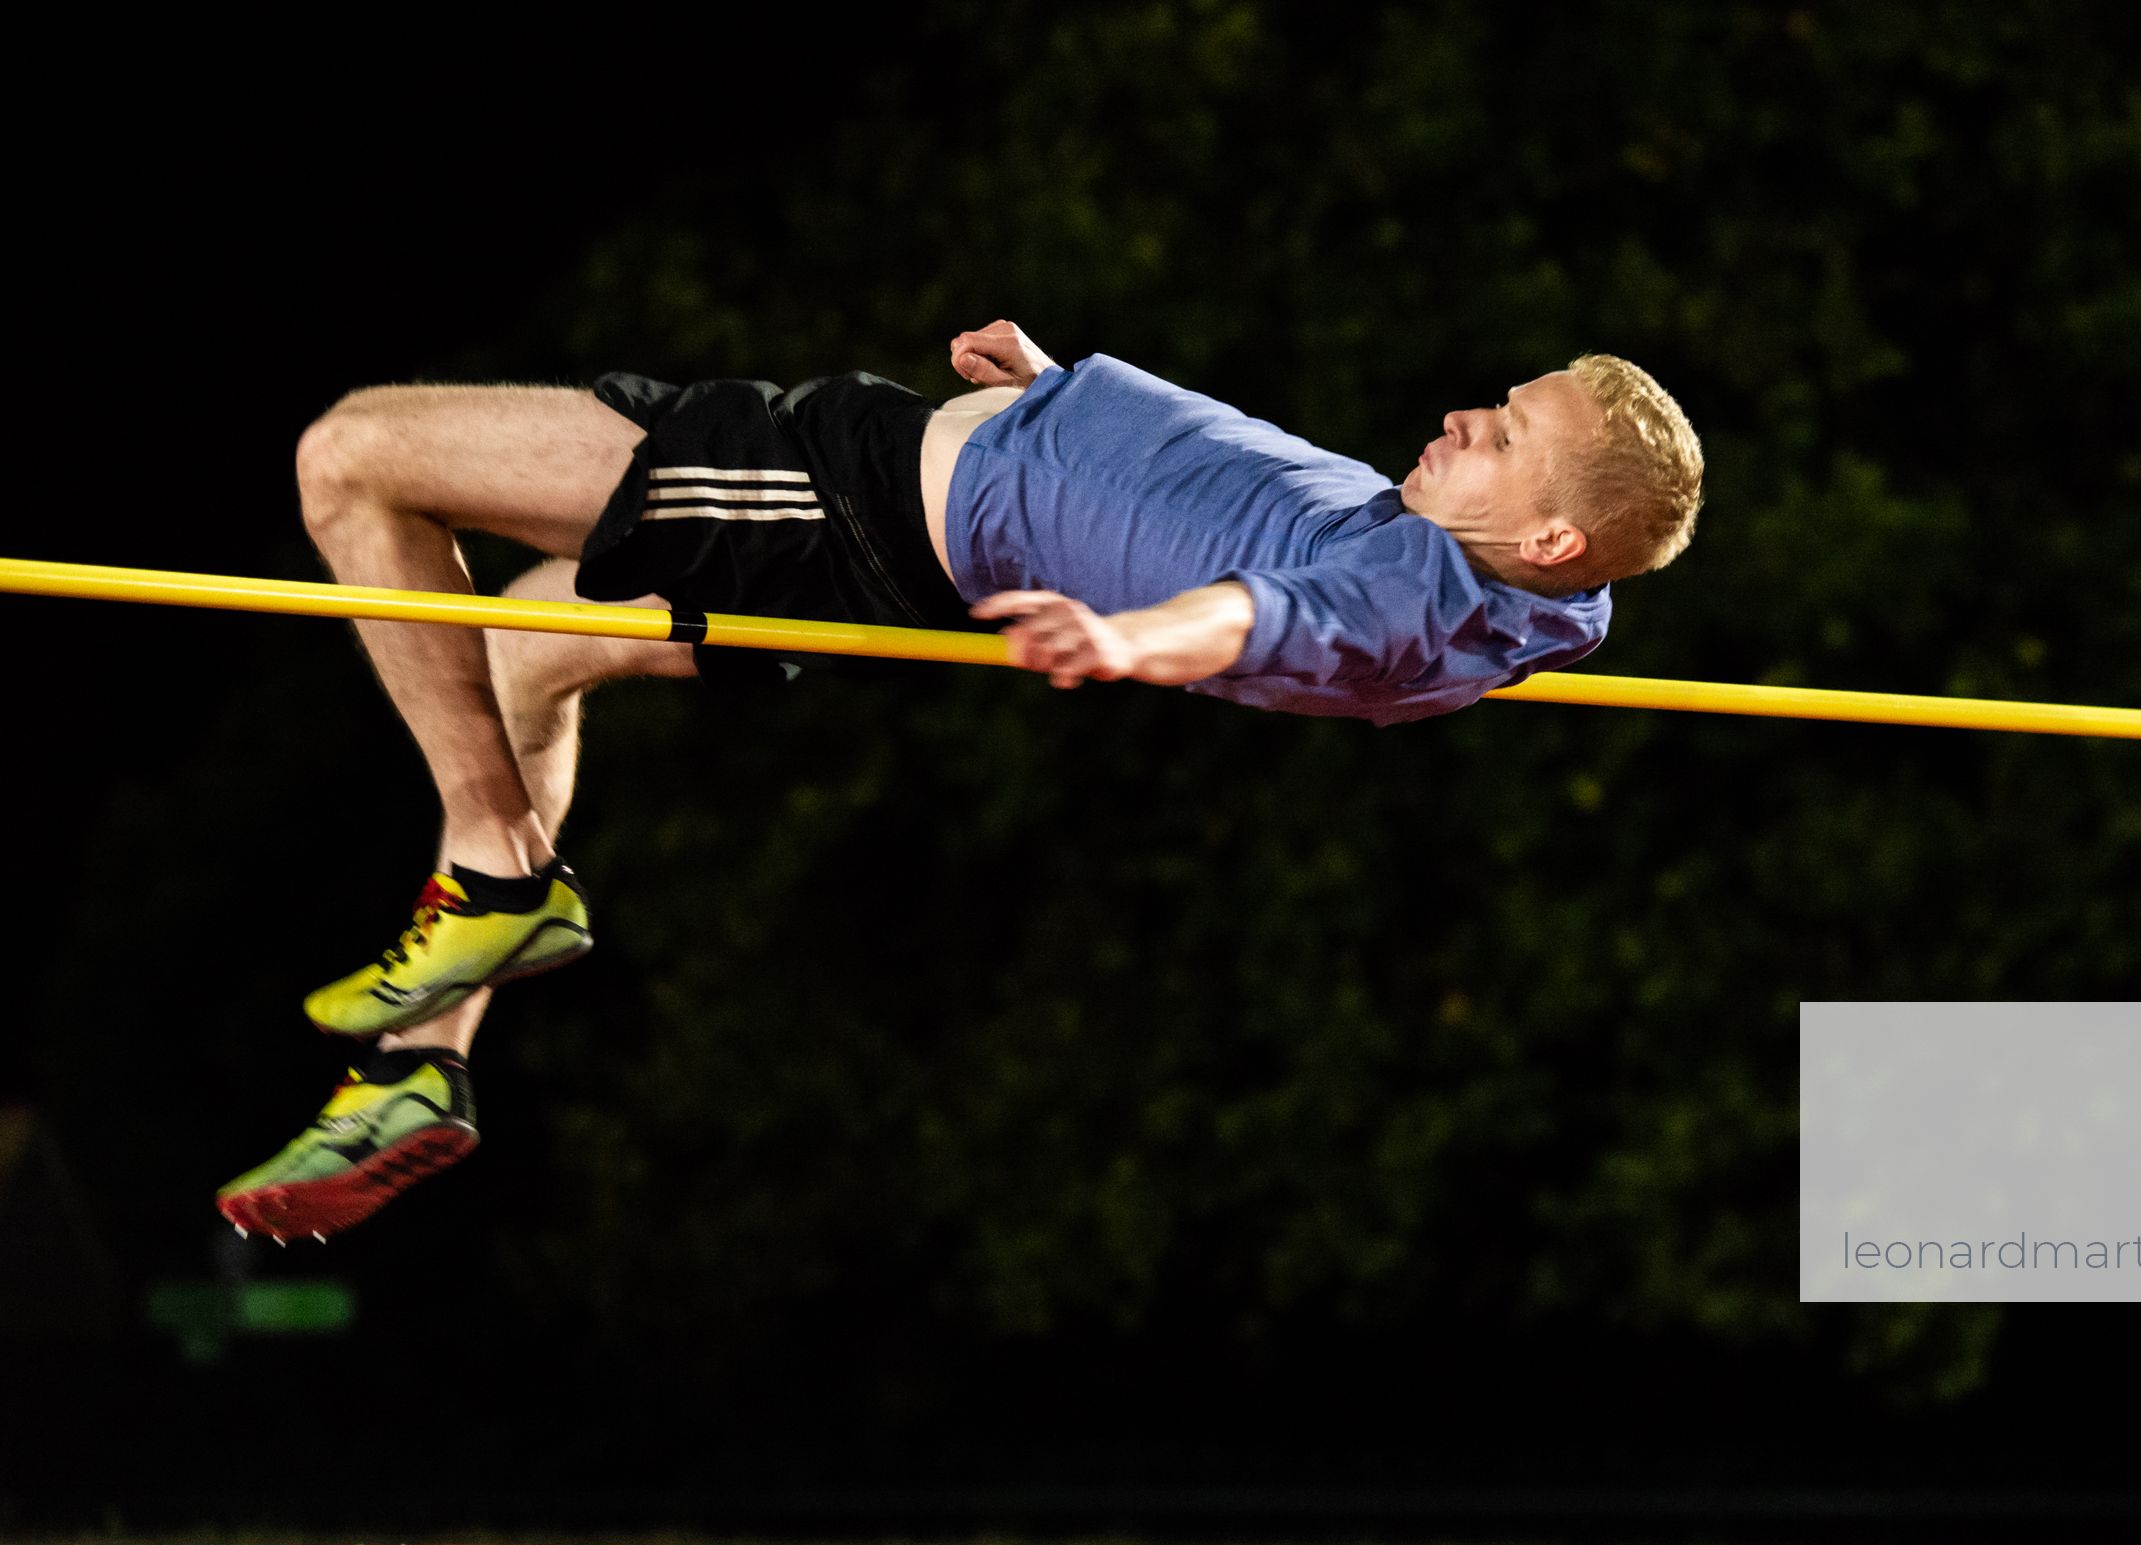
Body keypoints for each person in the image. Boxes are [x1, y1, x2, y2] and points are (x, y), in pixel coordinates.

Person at [215, 320, 1704, 1241]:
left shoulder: (1408, 591)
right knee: (525, 654)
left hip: (841, 492)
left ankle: (498, 868)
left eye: (1503, 435)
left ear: (1550, 536)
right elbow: (1244, 504)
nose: (1463, 418)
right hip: (904, 512)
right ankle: (420, 1069)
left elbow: (1254, 613)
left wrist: (1130, 638)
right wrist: (1061, 400)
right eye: (1496, 401)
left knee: (355, 456)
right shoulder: (1520, 588)